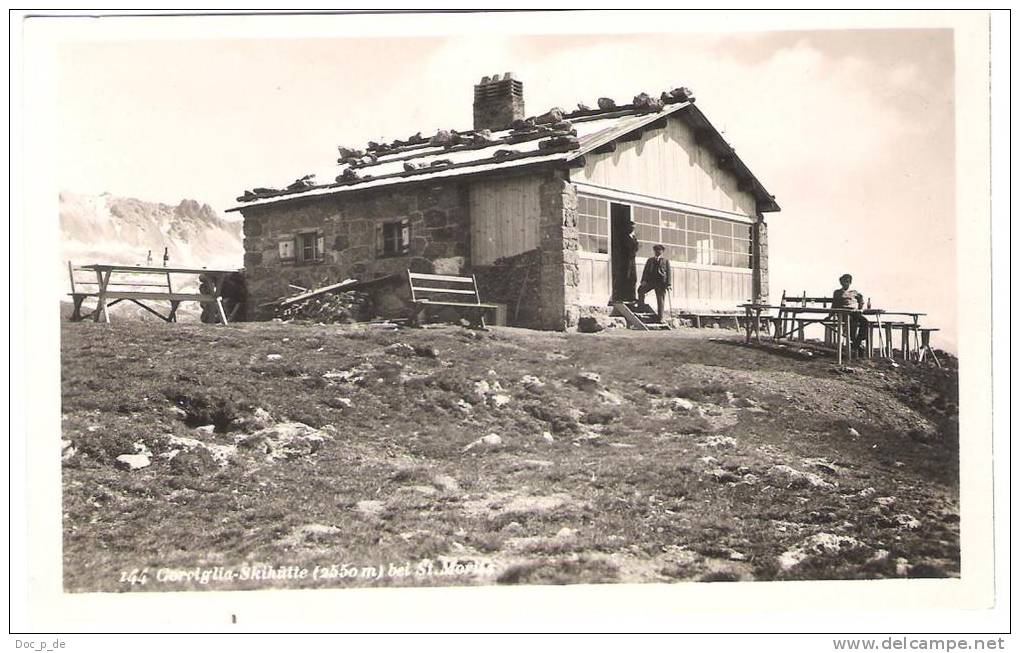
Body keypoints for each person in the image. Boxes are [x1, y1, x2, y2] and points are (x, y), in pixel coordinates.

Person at [831, 273, 869, 352]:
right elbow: (834, 305)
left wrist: (860, 309)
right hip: (843, 313)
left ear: (850, 282)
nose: (846, 283)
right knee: (852, 323)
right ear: (841, 283)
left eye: (848, 282)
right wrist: (829, 315)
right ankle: (855, 346)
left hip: (854, 312)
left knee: (865, 321)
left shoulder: (854, 292)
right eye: (844, 281)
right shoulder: (837, 292)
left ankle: (856, 343)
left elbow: (861, 301)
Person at [638, 244, 672, 320]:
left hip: (661, 283)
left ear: (662, 251)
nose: (657, 252)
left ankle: (660, 317)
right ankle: (641, 308)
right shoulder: (650, 260)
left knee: (660, 300)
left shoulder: (665, 261)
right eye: (656, 250)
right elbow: (645, 271)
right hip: (651, 282)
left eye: (659, 250)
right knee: (640, 290)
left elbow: (669, 273)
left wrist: (668, 284)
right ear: (654, 251)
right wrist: (643, 280)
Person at [615, 219, 640, 302]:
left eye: (634, 227)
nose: (632, 229)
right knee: (625, 277)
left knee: (633, 278)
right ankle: (622, 296)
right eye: (631, 227)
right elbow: (626, 248)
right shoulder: (624, 237)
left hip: (632, 260)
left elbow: (636, 248)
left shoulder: (634, 237)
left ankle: (631, 296)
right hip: (625, 261)